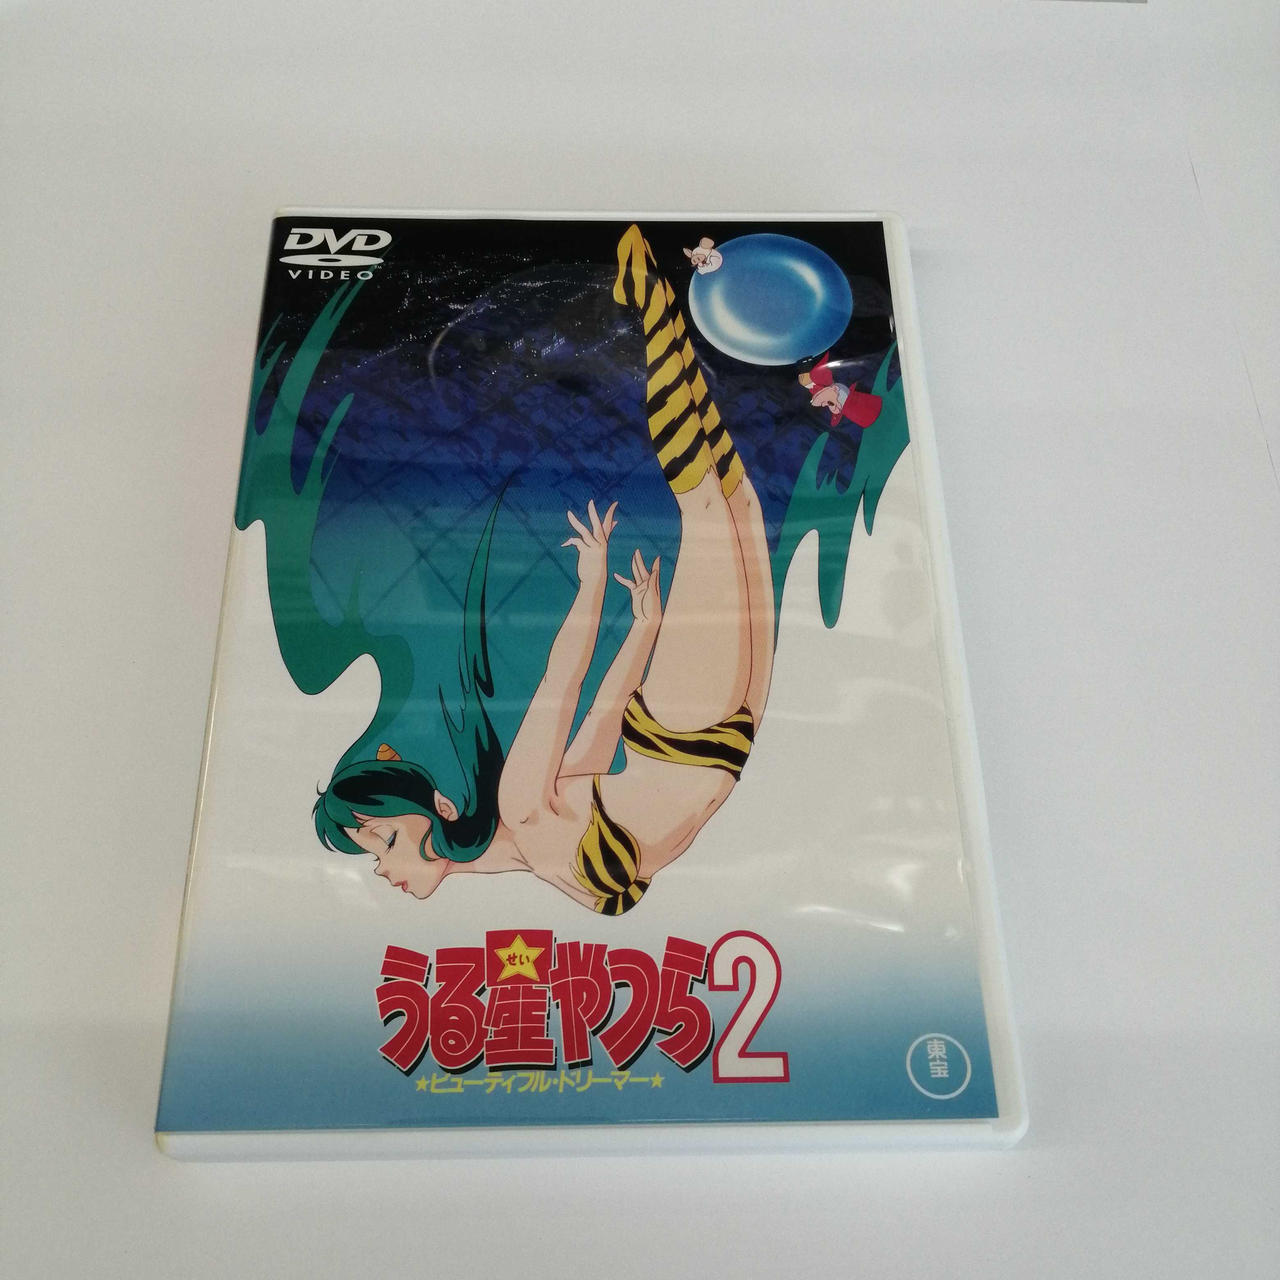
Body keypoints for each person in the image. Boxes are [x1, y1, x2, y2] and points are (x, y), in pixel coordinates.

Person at [314, 225, 774, 915]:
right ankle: (658, 311)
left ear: (438, 808)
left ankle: (654, 306)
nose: (380, 869)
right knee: (735, 505)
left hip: (689, 731)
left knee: (718, 505)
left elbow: (564, 686)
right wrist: (643, 627)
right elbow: (595, 738)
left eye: (382, 841)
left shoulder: (524, 810)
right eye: (376, 848)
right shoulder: (528, 841)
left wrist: (595, 583)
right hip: (702, 737)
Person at [799, 351, 883, 428]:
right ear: (836, 389)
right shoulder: (820, 377)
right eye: (830, 403)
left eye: (829, 404)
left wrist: (810, 385)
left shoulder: (819, 386)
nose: (824, 405)